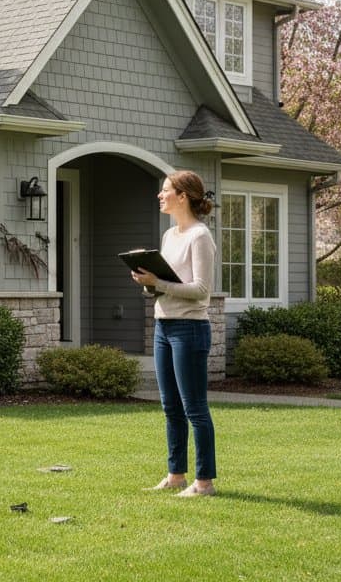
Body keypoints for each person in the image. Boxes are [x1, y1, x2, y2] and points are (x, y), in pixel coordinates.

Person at [131, 170, 217, 497]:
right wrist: (147, 284)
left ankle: (204, 482)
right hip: (163, 325)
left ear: (183, 196)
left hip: (190, 329)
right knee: (170, 406)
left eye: (165, 190)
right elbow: (167, 286)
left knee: (194, 407)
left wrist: (159, 283)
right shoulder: (169, 236)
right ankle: (176, 475)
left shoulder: (200, 236)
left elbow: (201, 290)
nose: (160, 195)